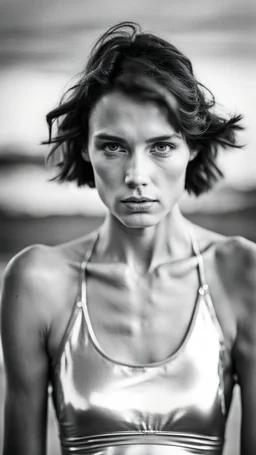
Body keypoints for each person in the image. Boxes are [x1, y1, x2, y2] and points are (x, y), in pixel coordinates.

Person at [1, 21, 255, 455]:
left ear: (191, 146)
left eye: (161, 146)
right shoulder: (37, 282)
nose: (137, 176)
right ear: (85, 148)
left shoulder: (242, 274)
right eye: (114, 146)